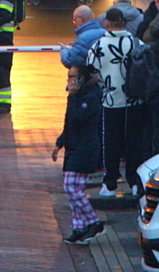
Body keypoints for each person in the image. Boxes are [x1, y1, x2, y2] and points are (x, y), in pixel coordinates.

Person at [86, 7, 145, 196]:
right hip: (134, 101)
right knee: (134, 142)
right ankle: (134, 182)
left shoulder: (98, 46)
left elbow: (91, 69)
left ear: (107, 23)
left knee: (111, 143)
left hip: (110, 101)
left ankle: (110, 183)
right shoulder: (136, 42)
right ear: (124, 23)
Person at [51, 63, 105, 245]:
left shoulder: (89, 97)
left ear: (83, 78)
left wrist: (72, 97)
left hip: (85, 148)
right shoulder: (79, 96)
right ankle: (79, 228)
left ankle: (93, 222)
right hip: (75, 146)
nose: (70, 82)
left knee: (71, 187)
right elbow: (70, 122)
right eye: (69, 77)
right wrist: (60, 142)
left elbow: (78, 118)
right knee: (76, 190)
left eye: (73, 78)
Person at [60, 5, 104, 69]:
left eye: (74, 20)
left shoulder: (82, 38)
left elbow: (70, 62)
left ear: (81, 18)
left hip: (91, 77)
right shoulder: (105, 32)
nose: (75, 23)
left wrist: (63, 50)